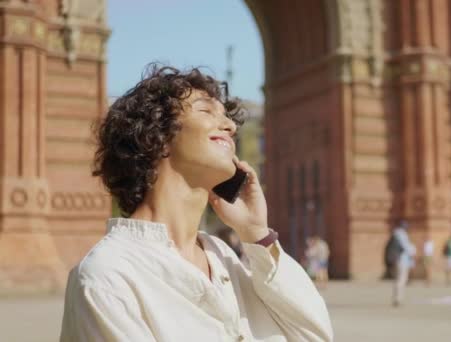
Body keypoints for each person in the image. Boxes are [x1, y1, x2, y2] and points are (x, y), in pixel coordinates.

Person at [59, 65, 333, 341]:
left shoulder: (224, 257)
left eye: (226, 116)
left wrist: (256, 233)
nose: (231, 126)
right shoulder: (108, 275)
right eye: (206, 111)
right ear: (157, 137)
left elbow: (314, 335)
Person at [391, 220, 414, 307]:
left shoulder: (395, 234)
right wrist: (413, 251)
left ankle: (397, 298)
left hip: (397, 259)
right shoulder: (401, 235)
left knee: (398, 279)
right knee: (401, 279)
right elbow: (407, 247)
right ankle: (398, 299)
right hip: (402, 260)